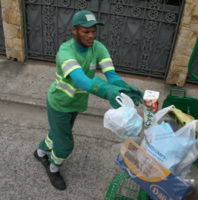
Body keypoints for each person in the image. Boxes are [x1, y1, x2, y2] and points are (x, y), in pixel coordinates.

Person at [33, 10, 143, 190]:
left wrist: (122, 88)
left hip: (75, 104)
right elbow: (80, 80)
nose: (91, 35)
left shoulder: (98, 48)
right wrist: (107, 92)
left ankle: (40, 152)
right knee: (65, 144)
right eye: (86, 31)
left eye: (93, 31)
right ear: (74, 30)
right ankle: (53, 168)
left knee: (59, 133)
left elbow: (111, 75)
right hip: (59, 104)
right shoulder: (65, 51)